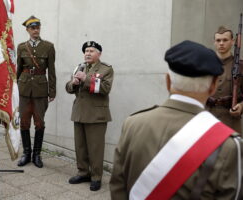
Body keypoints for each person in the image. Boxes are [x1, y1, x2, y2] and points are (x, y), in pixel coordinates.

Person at [110, 40, 243, 199]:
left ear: (167, 81)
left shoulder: (132, 124)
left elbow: (118, 186)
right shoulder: (229, 146)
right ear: (213, 86)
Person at [65, 41, 114, 191]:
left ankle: (96, 177)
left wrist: (85, 78)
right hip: (79, 112)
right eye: (86, 51)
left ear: (99, 54)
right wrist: (73, 83)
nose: (88, 53)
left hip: (96, 114)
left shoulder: (106, 69)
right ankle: (83, 172)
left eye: (91, 51)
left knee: (95, 148)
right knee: (80, 147)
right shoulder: (79, 67)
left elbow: (105, 88)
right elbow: (68, 88)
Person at [17, 15, 56, 168]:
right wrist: (14, 89)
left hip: (40, 90)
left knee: (39, 123)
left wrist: (52, 91)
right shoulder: (21, 47)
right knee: (24, 122)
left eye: (37, 27)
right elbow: (18, 69)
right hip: (24, 89)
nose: (35, 30)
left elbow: (51, 71)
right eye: (32, 28)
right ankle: (26, 153)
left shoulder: (48, 46)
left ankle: (37, 154)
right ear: (27, 30)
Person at [206, 26, 243, 133]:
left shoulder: (240, 67)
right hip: (208, 119)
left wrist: (241, 106)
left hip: (231, 122)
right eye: (218, 40)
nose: (221, 43)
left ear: (232, 41)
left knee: (231, 149)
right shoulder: (205, 65)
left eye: (225, 40)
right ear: (214, 42)